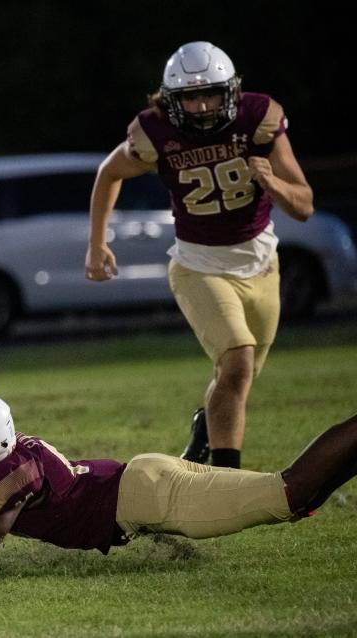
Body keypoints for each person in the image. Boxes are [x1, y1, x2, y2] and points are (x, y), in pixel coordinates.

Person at [0, 390, 357, 582]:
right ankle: (191, 455)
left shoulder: (5, 482)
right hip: (144, 479)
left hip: (152, 496)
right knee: (296, 494)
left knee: (291, 494)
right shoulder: (11, 458)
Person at [85, 41, 314, 469]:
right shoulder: (156, 132)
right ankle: (225, 477)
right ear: (172, 100)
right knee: (238, 361)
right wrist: (97, 243)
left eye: (211, 93)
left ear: (232, 91)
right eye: (191, 97)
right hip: (198, 265)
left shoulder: (258, 119)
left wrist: (273, 184)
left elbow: (303, 205)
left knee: (237, 375)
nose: (204, 105)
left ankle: (204, 427)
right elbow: (109, 172)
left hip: (262, 263)